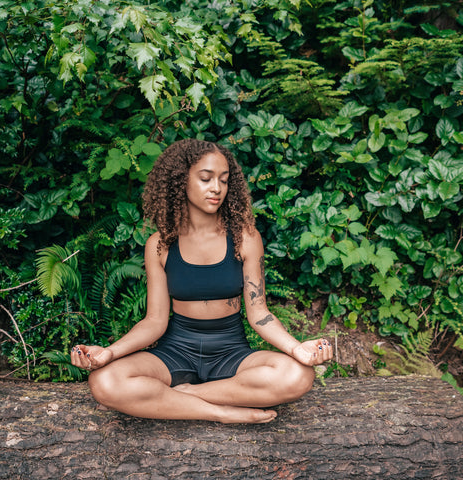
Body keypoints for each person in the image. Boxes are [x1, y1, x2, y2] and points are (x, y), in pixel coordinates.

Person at [71, 138, 332, 424]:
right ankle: (219, 412)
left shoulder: (246, 238)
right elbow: (155, 321)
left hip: (230, 351)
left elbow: (260, 314)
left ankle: (188, 394)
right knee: (105, 381)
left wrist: (297, 349)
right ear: (181, 181)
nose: (217, 188)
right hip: (175, 351)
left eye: (223, 179)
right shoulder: (159, 245)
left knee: (298, 376)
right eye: (206, 178)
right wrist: (109, 353)